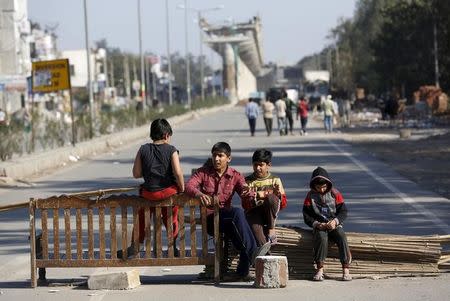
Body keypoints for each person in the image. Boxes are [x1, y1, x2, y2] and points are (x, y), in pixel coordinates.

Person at [185, 142, 270, 281]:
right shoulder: (203, 173)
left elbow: (245, 193)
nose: (216, 159)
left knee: (242, 233)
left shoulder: (236, 175)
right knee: (237, 214)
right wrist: (199, 195)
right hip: (211, 219)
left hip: (227, 220)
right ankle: (254, 252)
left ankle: (242, 272)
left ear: (228, 158)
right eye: (214, 155)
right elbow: (189, 186)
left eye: (220, 156)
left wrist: (250, 194)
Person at [124, 118, 185, 258]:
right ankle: (173, 245)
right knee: (171, 218)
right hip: (168, 193)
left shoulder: (143, 149)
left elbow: (136, 173)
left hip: (148, 194)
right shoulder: (172, 150)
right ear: (166, 135)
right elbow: (178, 172)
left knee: (142, 217)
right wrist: (181, 189)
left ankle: (135, 246)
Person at [302, 166, 352, 281]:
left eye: (324, 187)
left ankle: (346, 269)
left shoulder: (335, 194)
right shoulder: (310, 197)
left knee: (341, 236)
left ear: (328, 184)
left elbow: (343, 211)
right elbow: (306, 215)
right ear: (313, 186)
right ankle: (320, 269)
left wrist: (335, 221)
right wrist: (316, 224)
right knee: (321, 237)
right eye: (318, 187)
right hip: (319, 226)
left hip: (333, 223)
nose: (322, 189)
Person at [243, 149, 287, 248]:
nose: (257, 168)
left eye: (261, 165)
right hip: (254, 213)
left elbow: (283, 204)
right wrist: (257, 195)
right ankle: (267, 256)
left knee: (271, 198)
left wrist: (277, 195)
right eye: (255, 165)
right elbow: (245, 205)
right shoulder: (248, 181)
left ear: (268, 165)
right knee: (258, 236)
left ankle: (271, 228)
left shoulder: (275, 180)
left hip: (269, 214)